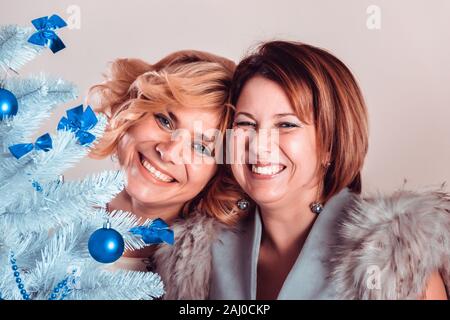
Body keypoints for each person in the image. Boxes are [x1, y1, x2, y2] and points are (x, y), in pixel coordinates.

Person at [209, 40, 449, 299]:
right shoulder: (203, 253)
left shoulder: (395, 261)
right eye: (246, 123)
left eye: (286, 125)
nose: (258, 145)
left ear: (330, 146)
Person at [88, 50, 245, 299]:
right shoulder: (38, 212)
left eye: (200, 147)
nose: (169, 152)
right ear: (133, 109)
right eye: (165, 121)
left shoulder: (221, 280)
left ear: (219, 174)